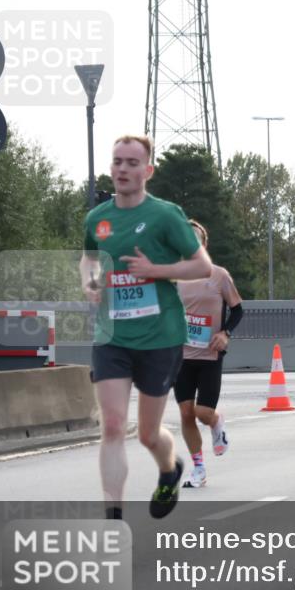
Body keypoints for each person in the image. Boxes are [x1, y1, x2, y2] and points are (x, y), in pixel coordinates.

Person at [80, 135, 212, 519]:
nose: (122, 169)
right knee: (113, 425)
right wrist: (90, 283)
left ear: (147, 171)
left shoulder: (166, 215)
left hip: (160, 336)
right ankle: (113, 519)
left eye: (132, 163)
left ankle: (169, 470)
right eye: (117, 161)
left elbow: (201, 266)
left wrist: (157, 271)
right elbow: (89, 261)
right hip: (112, 336)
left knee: (148, 434)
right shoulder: (96, 218)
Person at [175, 220, 243, 488]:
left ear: (204, 245)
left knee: (202, 412)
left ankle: (215, 422)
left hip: (210, 355)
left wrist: (225, 333)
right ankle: (199, 468)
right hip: (179, 355)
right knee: (185, 413)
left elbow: (238, 310)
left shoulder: (219, 276)